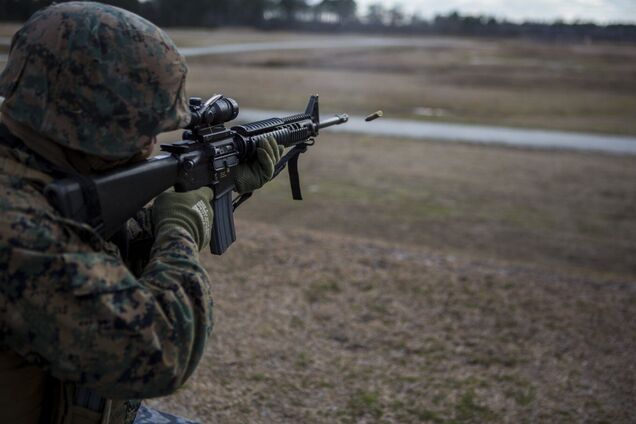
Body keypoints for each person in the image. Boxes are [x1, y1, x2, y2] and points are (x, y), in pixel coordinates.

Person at [0, 2, 282, 423]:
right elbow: (161, 353)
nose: (151, 145)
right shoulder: (16, 230)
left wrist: (217, 185)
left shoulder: (35, 166)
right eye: (143, 129)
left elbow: (92, 260)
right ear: (87, 121)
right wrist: (184, 227)